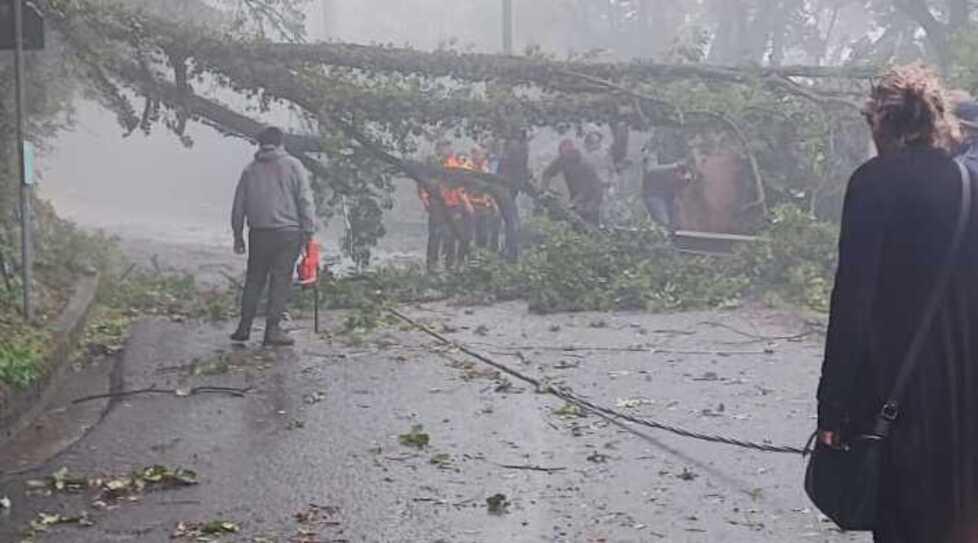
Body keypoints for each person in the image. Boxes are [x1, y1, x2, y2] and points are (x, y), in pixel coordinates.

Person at [815, 64, 978, 542]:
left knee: (901, 521)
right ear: (937, 122)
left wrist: (832, 408)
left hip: (894, 387)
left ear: (878, 124)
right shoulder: (969, 184)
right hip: (965, 385)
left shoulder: (873, 183)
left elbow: (852, 302)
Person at [231, 126, 318, 346]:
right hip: (288, 233)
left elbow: (238, 206)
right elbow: (305, 201)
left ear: (260, 144)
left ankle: (244, 327)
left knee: (254, 280)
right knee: (280, 280)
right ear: (282, 143)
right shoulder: (293, 166)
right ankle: (272, 330)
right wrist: (309, 232)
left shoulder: (250, 170)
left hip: (258, 233)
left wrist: (238, 236)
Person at [541, 139, 604, 225]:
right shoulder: (562, 160)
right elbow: (547, 173)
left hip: (592, 197)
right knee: (575, 223)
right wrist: (545, 190)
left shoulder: (584, 164)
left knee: (589, 224)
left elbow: (588, 189)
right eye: (564, 152)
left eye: (569, 150)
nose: (567, 153)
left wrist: (577, 203)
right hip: (576, 196)